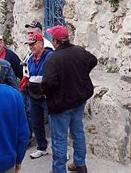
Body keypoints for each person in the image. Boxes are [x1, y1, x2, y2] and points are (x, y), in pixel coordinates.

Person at [42, 26, 97, 173]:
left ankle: (59, 170)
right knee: (78, 132)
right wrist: (81, 74)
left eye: (51, 38)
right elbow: (93, 60)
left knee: (59, 138)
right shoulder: (79, 51)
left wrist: (47, 93)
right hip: (78, 100)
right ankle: (80, 164)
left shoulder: (53, 59)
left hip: (61, 104)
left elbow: (47, 83)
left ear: (55, 41)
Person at [25, 33, 54, 159]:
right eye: (29, 45)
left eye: (33, 44)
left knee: (54, 124)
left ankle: (60, 150)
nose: (31, 47)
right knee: (36, 123)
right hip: (34, 95)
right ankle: (42, 148)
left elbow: (46, 76)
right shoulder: (31, 59)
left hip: (47, 95)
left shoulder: (50, 56)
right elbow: (31, 75)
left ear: (41, 44)